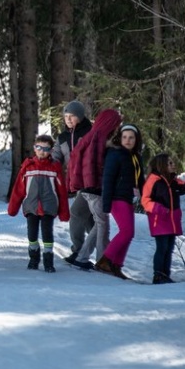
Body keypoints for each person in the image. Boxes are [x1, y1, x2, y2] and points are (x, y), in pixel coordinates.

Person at [66, 108, 123, 270]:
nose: (117, 127)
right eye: (116, 123)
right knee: (102, 224)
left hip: (86, 188)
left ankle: (88, 257)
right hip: (94, 188)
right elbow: (95, 165)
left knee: (100, 224)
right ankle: (97, 260)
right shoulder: (99, 139)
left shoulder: (91, 136)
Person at [8, 134, 70, 273]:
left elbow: (61, 192)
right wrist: (13, 208)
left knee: (47, 233)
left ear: (51, 150)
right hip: (31, 206)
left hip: (49, 207)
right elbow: (19, 188)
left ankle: (48, 262)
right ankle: (33, 259)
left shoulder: (54, 168)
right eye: (39, 147)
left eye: (46, 148)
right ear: (34, 148)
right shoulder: (28, 166)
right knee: (32, 234)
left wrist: (64, 212)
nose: (42, 151)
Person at [94, 124, 145, 279]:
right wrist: (106, 203)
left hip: (128, 197)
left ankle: (116, 265)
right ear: (119, 138)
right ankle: (105, 260)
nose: (127, 140)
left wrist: (144, 195)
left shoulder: (136, 156)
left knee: (130, 233)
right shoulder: (115, 154)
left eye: (131, 137)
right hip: (117, 197)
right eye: (124, 137)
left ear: (136, 139)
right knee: (126, 231)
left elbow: (140, 179)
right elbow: (108, 179)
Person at [52, 100, 95, 264]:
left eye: (73, 116)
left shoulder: (91, 132)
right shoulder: (62, 137)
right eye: (66, 116)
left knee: (77, 214)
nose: (68, 119)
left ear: (81, 116)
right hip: (77, 182)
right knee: (90, 219)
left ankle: (79, 252)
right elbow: (56, 157)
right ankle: (104, 252)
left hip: (91, 180)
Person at [141, 153, 185, 284]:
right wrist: (158, 209)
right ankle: (158, 275)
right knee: (162, 247)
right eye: (170, 163)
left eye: (172, 163)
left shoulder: (174, 180)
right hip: (159, 219)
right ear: (161, 164)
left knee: (169, 248)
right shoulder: (153, 180)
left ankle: (165, 275)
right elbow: (145, 200)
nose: (173, 165)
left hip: (172, 220)